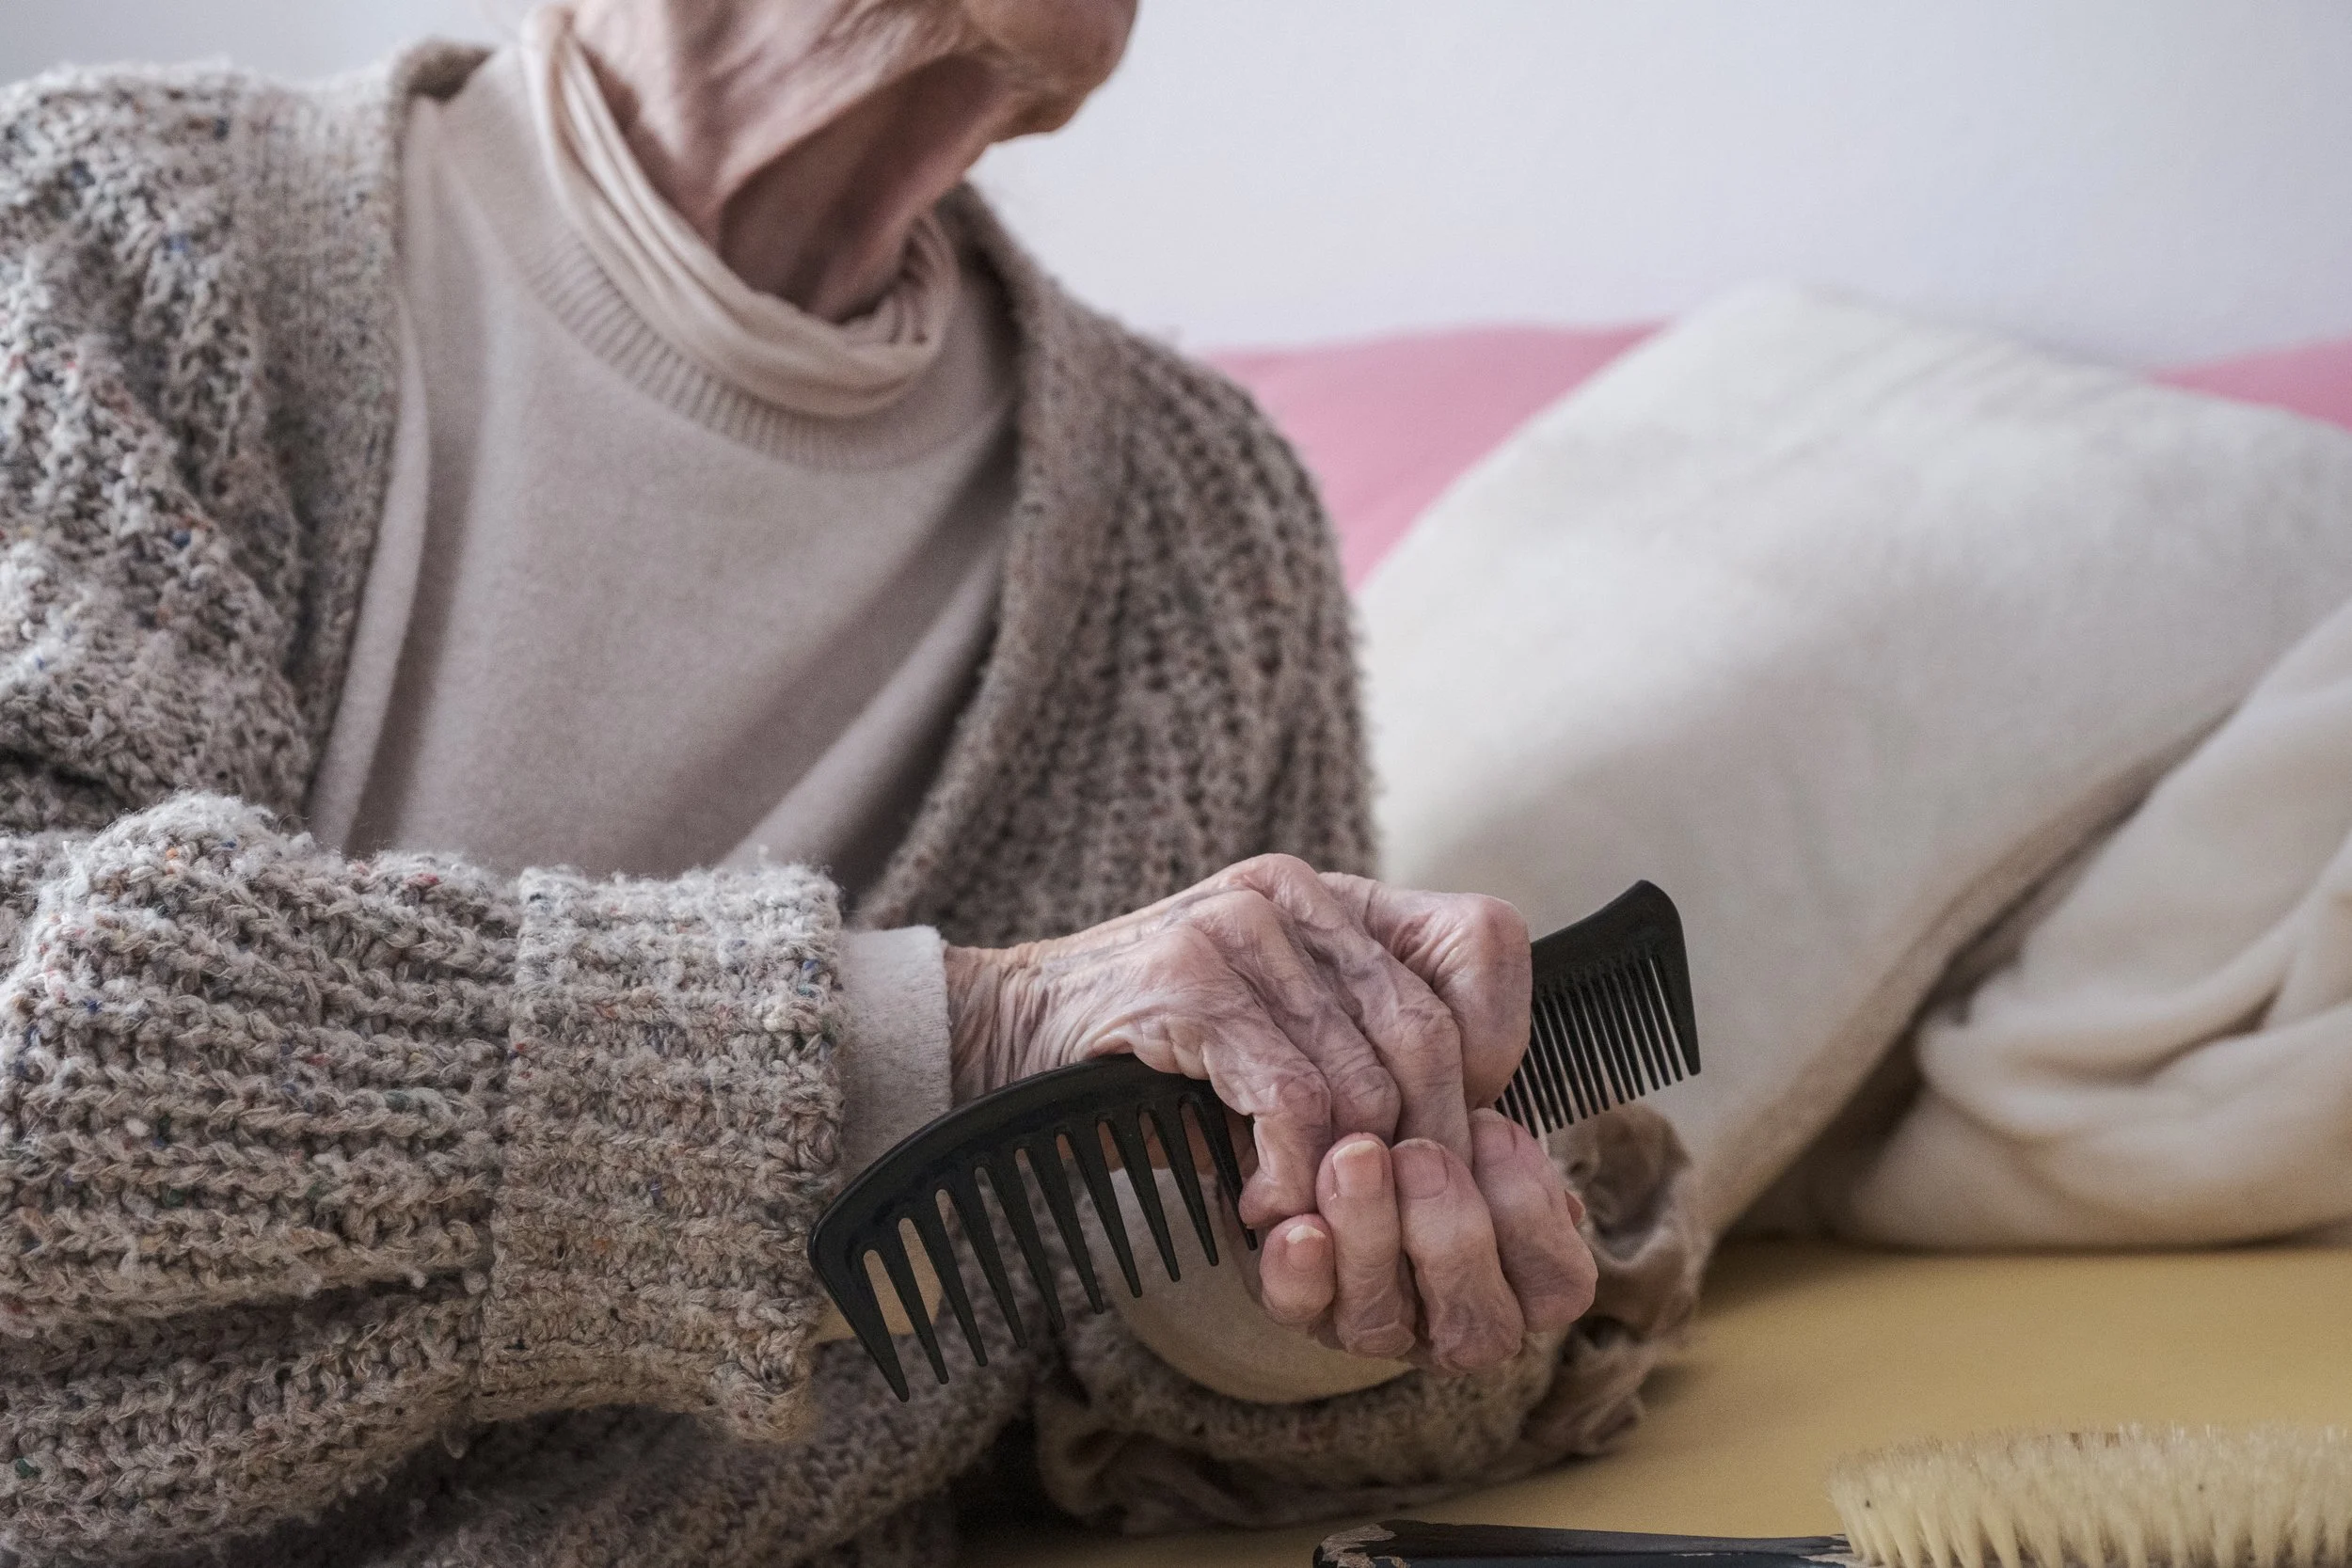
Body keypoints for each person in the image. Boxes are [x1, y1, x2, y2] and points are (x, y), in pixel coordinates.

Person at [0, 1, 1703, 1562]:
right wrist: (949, 1044)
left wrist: (1299, 1293)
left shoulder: (1201, 526)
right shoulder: (106, 226)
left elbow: (1128, 1406)